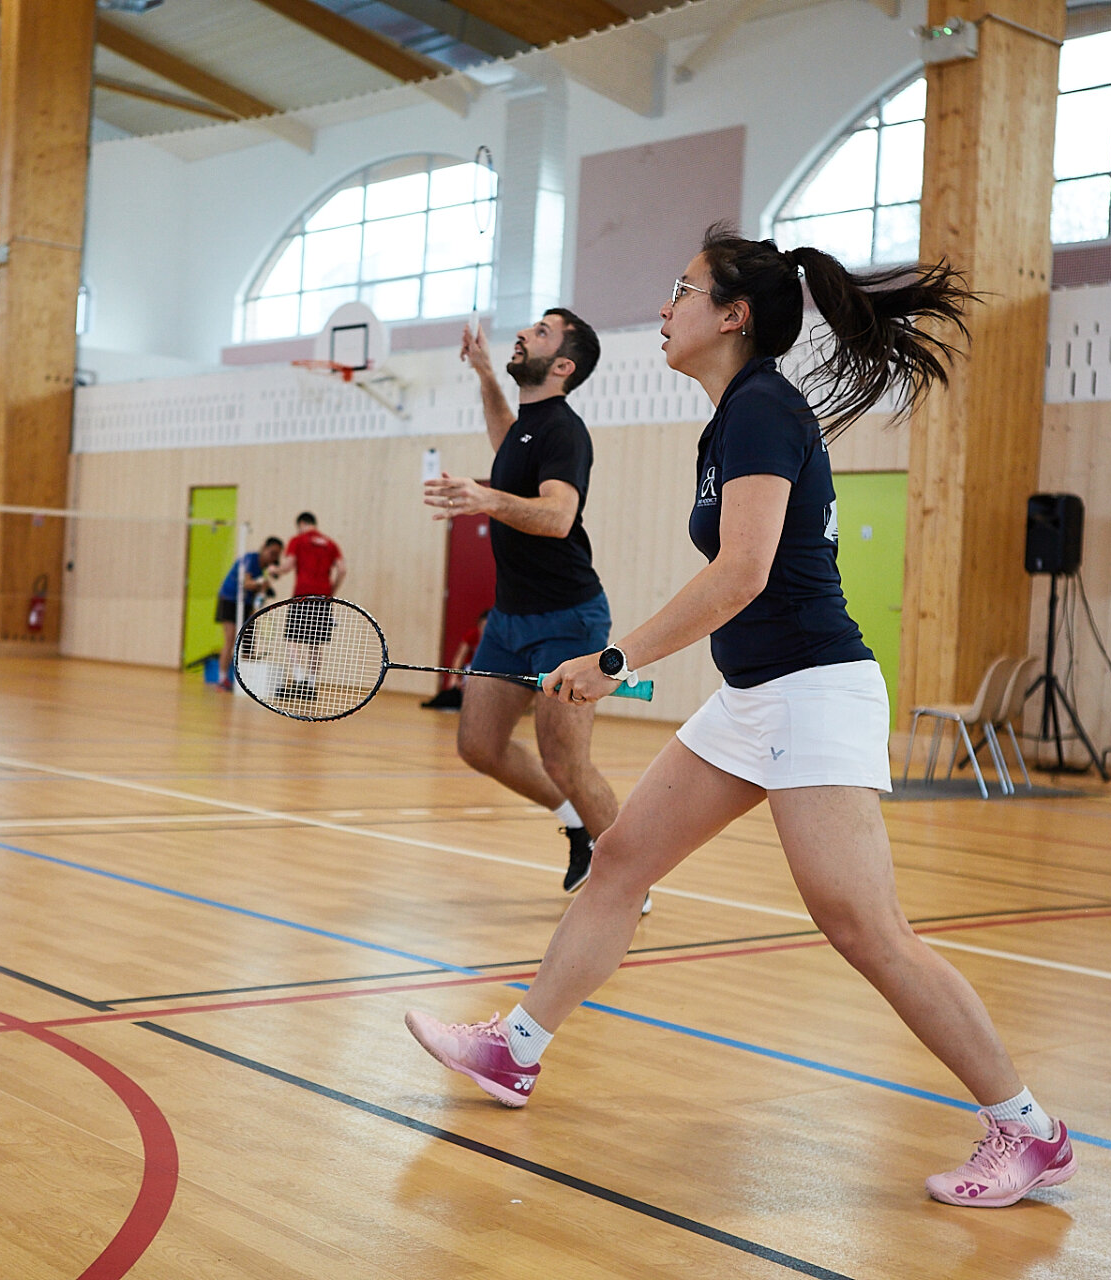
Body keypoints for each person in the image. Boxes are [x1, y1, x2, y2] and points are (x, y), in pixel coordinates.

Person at [407, 224, 1076, 1210]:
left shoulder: (763, 408)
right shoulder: (732, 418)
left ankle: (1029, 1130)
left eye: (682, 290)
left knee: (866, 929)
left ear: (732, 315)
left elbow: (744, 571)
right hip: (756, 694)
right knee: (620, 859)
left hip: (814, 691)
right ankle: (516, 1047)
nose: (663, 308)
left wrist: (615, 661)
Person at [424, 310, 623, 898]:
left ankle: (627, 878)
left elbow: (559, 516)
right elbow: (504, 435)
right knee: (478, 746)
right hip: (509, 619)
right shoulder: (526, 427)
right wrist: (486, 373)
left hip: (568, 619)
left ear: (562, 366)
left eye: (541, 333)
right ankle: (577, 826)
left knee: (566, 762)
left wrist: (485, 499)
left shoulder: (564, 431)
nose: (524, 333)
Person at [270, 512, 345, 699]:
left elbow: (288, 566)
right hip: (323, 598)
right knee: (315, 643)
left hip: (302, 595)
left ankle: (299, 678)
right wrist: (331, 591)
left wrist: (275, 569)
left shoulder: (298, 540)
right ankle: (311, 684)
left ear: (301, 523)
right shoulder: (331, 544)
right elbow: (342, 569)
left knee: (291, 638)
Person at [216, 536, 283, 690]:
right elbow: (246, 583)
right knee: (230, 640)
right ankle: (222, 679)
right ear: (264, 548)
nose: (273, 558)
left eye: (277, 555)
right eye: (272, 553)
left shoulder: (263, 569)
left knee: (249, 641)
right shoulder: (250, 559)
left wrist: (262, 592)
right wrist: (262, 584)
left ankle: (246, 681)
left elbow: (257, 594)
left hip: (246, 603)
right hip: (229, 599)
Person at [421, 609, 489, 711]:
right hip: (471, 669)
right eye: (483, 626)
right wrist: (454, 676)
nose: (485, 630)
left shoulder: (496, 640)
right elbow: (460, 657)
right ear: (479, 625)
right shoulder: (472, 635)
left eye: (488, 627)